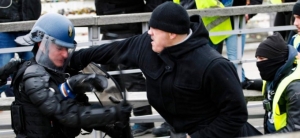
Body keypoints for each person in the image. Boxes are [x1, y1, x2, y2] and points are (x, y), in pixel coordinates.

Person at [70, 2, 262, 137]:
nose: (149, 32)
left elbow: (235, 115)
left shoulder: (213, 66)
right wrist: (72, 60)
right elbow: (113, 50)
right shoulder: (148, 44)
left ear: (171, 34)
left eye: (154, 28)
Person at [11, 13, 132, 138]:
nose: (65, 54)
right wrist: (113, 113)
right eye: (59, 48)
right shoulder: (33, 75)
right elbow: (65, 114)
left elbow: (79, 107)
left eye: (67, 49)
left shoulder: (59, 73)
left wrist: (111, 127)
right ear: (41, 44)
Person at [94, 0, 155, 136]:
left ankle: (143, 120)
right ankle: (115, 119)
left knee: (131, 77)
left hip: (128, 26)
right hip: (107, 24)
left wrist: (143, 18)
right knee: (108, 78)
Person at [255, 32, 300, 133]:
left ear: (276, 60)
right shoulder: (274, 74)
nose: (258, 63)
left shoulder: (295, 87)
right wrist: (248, 83)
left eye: (261, 59)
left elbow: (295, 131)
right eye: (257, 58)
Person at [0, 0, 41, 97]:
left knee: (33, 70)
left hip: (30, 24)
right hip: (3, 24)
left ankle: (25, 103)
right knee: (3, 70)